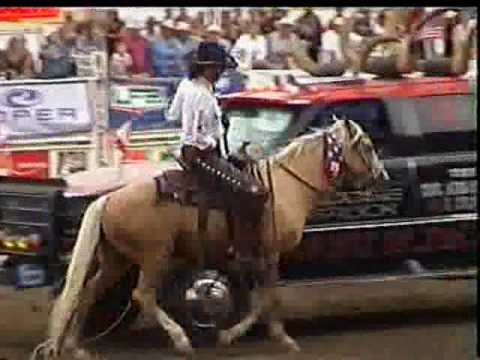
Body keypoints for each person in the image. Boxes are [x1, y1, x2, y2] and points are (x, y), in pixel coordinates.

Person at [169, 42, 268, 222]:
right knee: (254, 191)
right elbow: (193, 136)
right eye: (218, 68)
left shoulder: (189, 86)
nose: (220, 73)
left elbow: (173, 115)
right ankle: (242, 243)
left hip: (203, 151)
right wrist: (211, 140)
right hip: (202, 155)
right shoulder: (200, 94)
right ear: (206, 68)